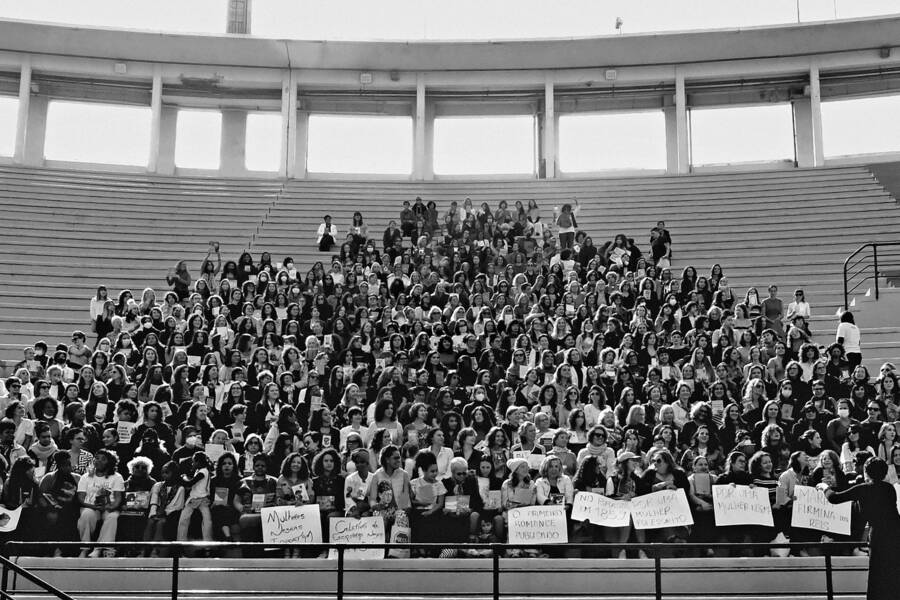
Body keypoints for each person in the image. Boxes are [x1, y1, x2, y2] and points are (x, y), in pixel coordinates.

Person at [824, 457, 900, 600]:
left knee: (877, 572)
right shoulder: (889, 489)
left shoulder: (864, 489)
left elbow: (834, 498)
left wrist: (824, 487)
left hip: (879, 534)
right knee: (893, 570)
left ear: (866, 472)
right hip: (896, 533)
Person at [76, 448, 125, 557]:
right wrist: (94, 506)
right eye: (97, 458)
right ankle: (85, 548)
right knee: (87, 514)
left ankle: (101, 548)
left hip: (109, 507)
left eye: (103, 459)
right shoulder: (86, 477)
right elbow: (81, 498)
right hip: (90, 506)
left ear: (110, 462)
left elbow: (118, 498)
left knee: (112, 517)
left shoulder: (117, 477)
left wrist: (111, 507)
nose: (99, 461)